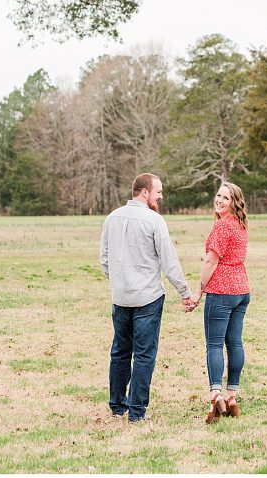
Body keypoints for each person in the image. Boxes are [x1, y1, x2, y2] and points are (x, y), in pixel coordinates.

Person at [101, 173, 194, 424]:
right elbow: (169, 261)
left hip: (120, 297)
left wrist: (118, 283)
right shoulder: (154, 221)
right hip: (148, 298)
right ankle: (137, 411)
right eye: (158, 192)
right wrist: (185, 292)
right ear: (144, 192)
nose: (161, 196)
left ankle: (118, 406)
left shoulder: (112, 218)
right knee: (144, 354)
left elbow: (105, 259)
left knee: (120, 352)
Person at [189, 182, 251, 424]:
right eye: (218, 195)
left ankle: (216, 395)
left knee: (214, 345)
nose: (219, 200)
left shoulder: (223, 226)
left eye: (225, 197)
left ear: (234, 202)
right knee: (234, 343)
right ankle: (232, 395)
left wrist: (198, 292)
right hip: (241, 289)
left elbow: (210, 262)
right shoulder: (240, 224)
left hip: (222, 291)